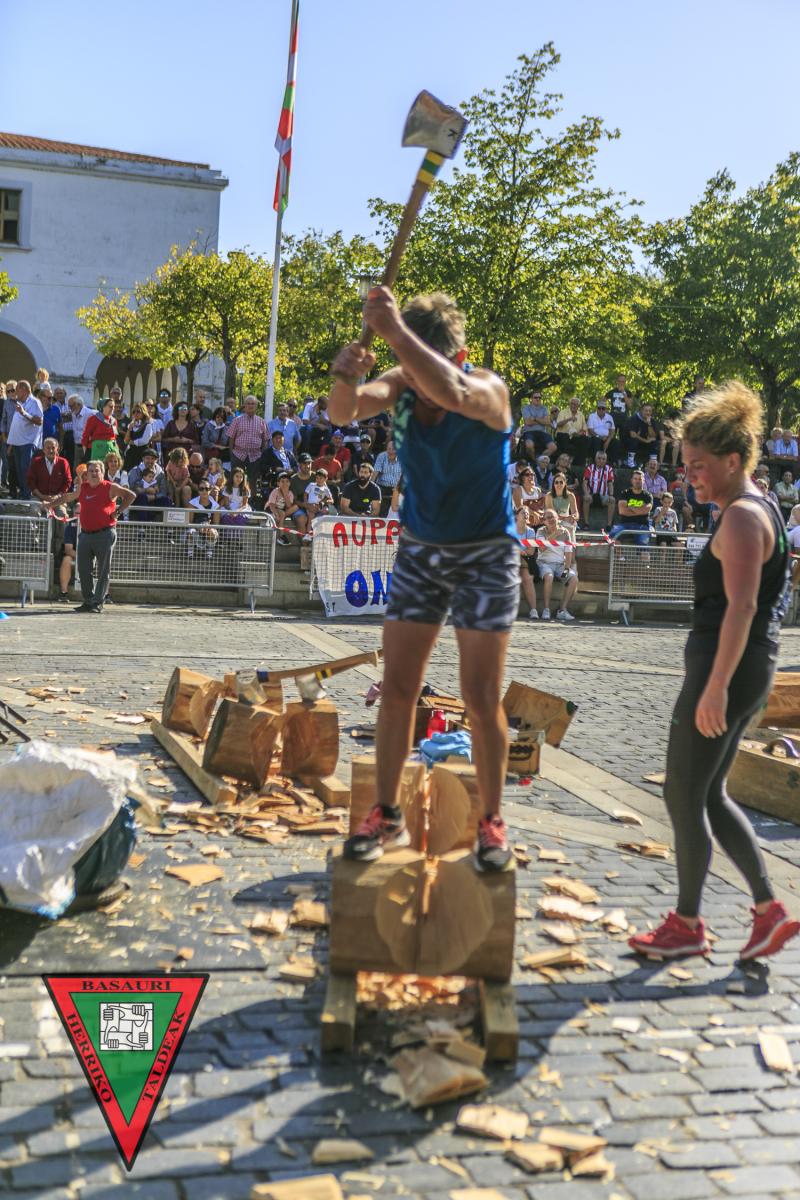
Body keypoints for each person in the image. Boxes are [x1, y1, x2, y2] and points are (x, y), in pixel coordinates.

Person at [330, 287, 518, 872]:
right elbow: (342, 412)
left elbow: (453, 392)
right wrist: (344, 375)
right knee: (398, 687)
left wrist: (393, 333)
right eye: (406, 368)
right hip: (421, 549)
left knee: (480, 696)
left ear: (456, 356)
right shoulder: (403, 382)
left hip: (486, 554)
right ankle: (386, 812)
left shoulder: (487, 390)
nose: (412, 379)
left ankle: (491, 821)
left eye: (419, 364)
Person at [628, 381, 799, 962]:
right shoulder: (753, 507)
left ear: (732, 460)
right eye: (686, 465)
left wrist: (717, 687)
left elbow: (743, 608)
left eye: (698, 466)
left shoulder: (744, 517)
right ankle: (768, 911)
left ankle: (687, 924)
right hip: (741, 666)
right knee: (710, 794)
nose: (689, 476)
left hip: (729, 669)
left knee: (682, 791)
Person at [49, 459, 134, 613]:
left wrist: (118, 512)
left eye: (97, 470)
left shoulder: (110, 487)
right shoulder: (83, 488)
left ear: (103, 472)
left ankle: (97, 603)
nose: (94, 473)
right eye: (91, 471)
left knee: (103, 571)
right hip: (85, 535)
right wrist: (50, 505)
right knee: (83, 570)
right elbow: (67, 497)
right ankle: (88, 601)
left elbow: (131, 496)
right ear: (86, 474)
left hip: (105, 533)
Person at [535, 508, 579, 621]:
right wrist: (555, 534)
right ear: (544, 521)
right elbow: (542, 548)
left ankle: (562, 610)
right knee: (549, 577)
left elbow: (568, 553)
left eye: (552, 517)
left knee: (573, 579)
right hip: (544, 563)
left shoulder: (565, 532)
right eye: (547, 518)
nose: (550, 519)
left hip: (560, 565)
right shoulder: (540, 531)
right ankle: (546, 609)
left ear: (557, 518)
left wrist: (566, 570)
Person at [6, 379, 43, 499]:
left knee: (25, 470)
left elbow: (39, 421)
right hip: (17, 443)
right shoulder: (20, 402)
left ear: (25, 390)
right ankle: (23, 494)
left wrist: (24, 413)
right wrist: (11, 444)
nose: (16, 393)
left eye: (17, 390)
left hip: (28, 442)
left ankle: (27, 496)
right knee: (19, 470)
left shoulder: (34, 402)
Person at [228, 395, 270, 495]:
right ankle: (235, 499)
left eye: (253, 404)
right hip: (238, 454)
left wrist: (262, 454)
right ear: (244, 406)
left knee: (253, 480)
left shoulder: (261, 421)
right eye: (248, 404)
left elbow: (265, 439)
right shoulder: (237, 420)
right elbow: (231, 438)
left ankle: (252, 500)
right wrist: (232, 453)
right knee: (236, 479)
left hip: (255, 456)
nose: (250, 406)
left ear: (256, 406)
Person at [609, 468, 653, 545]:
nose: (637, 481)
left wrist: (630, 507)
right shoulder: (625, 493)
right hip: (625, 524)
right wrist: (639, 510)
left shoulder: (648, 496)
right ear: (631, 480)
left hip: (642, 526)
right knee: (613, 535)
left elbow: (646, 510)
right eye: (635, 479)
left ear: (643, 481)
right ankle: (620, 553)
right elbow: (622, 511)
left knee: (643, 543)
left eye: (640, 479)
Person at [27, 437, 72, 506]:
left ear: (57, 449)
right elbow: (30, 481)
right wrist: (41, 496)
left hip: (58, 498)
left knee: (61, 512)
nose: (51, 450)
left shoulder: (63, 462)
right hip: (38, 497)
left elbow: (67, 482)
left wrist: (58, 496)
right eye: (48, 448)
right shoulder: (36, 462)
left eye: (53, 448)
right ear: (43, 450)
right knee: (34, 511)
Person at [267, 471, 306, 541]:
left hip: (283, 510)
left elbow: (288, 506)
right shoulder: (275, 491)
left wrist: (285, 494)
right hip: (273, 509)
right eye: (282, 481)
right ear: (278, 483)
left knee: (296, 507)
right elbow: (271, 505)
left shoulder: (290, 493)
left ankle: (282, 517)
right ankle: (281, 536)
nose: (285, 483)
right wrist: (276, 514)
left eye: (287, 481)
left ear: (289, 483)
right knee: (282, 513)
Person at [582, 451, 615, 528]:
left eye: (603, 459)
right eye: (599, 458)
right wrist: (586, 493)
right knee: (586, 498)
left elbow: (610, 483)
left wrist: (611, 495)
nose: (601, 460)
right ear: (595, 459)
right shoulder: (590, 468)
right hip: (591, 496)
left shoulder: (609, 469)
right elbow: (584, 483)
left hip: (603, 496)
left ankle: (609, 524)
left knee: (612, 500)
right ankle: (586, 523)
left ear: (606, 460)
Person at [555, 397, 589, 465]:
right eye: (572, 404)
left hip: (575, 437)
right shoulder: (563, 412)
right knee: (564, 436)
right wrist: (569, 419)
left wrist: (580, 433)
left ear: (578, 406)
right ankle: (563, 462)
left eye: (575, 404)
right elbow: (558, 424)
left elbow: (585, 429)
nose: (573, 406)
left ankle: (580, 464)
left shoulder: (581, 415)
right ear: (569, 404)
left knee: (585, 439)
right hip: (563, 435)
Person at [545, 471, 579, 537]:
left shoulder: (570, 495)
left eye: (561, 482)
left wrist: (574, 517)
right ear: (553, 484)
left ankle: (571, 544)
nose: (559, 484)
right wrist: (567, 518)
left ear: (565, 483)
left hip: (566, 521)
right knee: (568, 527)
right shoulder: (549, 495)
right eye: (556, 482)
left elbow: (576, 512)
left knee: (571, 526)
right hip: (553, 521)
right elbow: (552, 515)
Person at [373, 438, 402, 515]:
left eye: (393, 449)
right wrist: (370, 486)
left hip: (397, 488)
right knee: (378, 492)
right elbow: (375, 473)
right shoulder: (381, 456)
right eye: (389, 449)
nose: (390, 451)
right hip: (382, 487)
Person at [123, 404, 155, 470]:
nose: (135, 413)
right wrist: (129, 429)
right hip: (131, 454)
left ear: (143, 413)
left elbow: (144, 441)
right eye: (133, 412)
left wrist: (133, 442)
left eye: (138, 411)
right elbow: (126, 441)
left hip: (142, 454)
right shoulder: (131, 425)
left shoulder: (148, 425)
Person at [586, 398, 616, 462]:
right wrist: (600, 437)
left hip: (607, 438)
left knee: (616, 442)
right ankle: (595, 462)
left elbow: (612, 430)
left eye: (603, 408)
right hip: (595, 437)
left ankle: (611, 462)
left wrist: (608, 440)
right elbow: (590, 430)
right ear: (597, 409)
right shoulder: (592, 416)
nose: (601, 410)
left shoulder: (609, 417)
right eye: (599, 408)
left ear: (606, 409)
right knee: (596, 441)